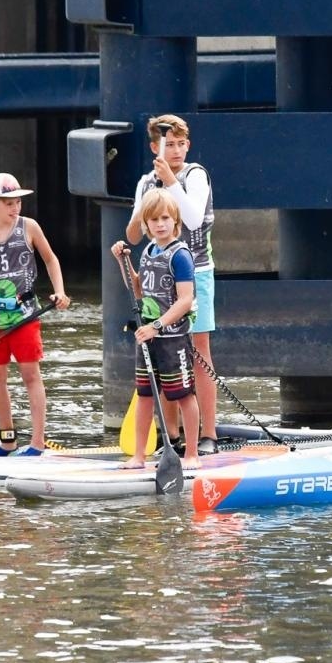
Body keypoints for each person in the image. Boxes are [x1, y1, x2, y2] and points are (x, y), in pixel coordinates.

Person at [125, 115, 220, 454]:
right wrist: (149, 196)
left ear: (187, 145)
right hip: (157, 278)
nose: (176, 150)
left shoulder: (195, 176)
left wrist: (171, 183)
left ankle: (208, 434)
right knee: (165, 355)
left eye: (181, 144)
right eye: (169, 144)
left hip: (196, 272)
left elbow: (193, 220)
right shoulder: (146, 182)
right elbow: (134, 235)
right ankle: (173, 436)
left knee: (198, 352)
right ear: (156, 147)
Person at [0, 172, 71, 456]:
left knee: (30, 374)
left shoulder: (30, 227)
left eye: (17, 202)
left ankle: (37, 443)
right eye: (8, 203)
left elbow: (51, 259)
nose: (15, 208)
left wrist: (59, 291)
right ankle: (7, 441)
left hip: (25, 317)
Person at [113, 189, 201, 469]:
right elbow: (138, 290)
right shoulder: (149, 251)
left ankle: (192, 455)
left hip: (173, 338)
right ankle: (139, 455)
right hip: (148, 338)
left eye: (165, 218)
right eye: (153, 219)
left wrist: (157, 326)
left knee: (183, 395)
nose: (160, 224)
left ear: (174, 221)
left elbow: (186, 300)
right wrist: (122, 261)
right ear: (146, 224)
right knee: (144, 396)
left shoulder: (180, 256)